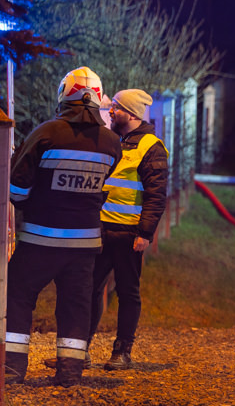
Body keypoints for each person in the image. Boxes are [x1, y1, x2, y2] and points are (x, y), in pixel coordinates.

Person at [5, 67, 122, 387]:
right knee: (76, 305)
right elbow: (102, 185)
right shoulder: (112, 142)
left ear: (64, 94)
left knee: (17, 295)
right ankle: (69, 374)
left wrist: (31, 204)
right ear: (97, 98)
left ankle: (12, 370)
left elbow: (15, 188)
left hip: (39, 239)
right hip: (84, 245)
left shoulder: (46, 134)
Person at [88, 88, 168, 370]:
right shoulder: (115, 141)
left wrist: (145, 233)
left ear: (131, 114)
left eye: (116, 108)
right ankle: (79, 349)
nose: (110, 111)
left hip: (129, 234)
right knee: (88, 288)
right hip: (101, 230)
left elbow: (156, 194)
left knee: (127, 292)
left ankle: (122, 352)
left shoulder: (151, 147)